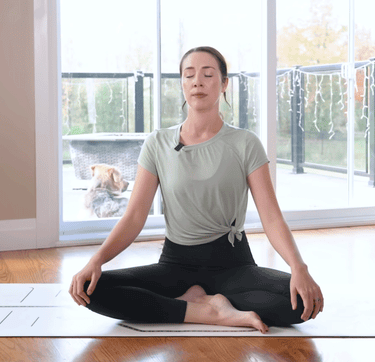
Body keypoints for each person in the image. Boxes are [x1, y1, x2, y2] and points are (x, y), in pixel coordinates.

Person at [69, 46, 323, 333]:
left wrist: (299, 268)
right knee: (90, 289)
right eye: (189, 75)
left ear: (224, 83)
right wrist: (96, 260)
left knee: (303, 303)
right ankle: (206, 311)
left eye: (207, 74)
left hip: (233, 265)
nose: (197, 82)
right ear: (182, 84)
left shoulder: (245, 143)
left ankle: (199, 304)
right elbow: (134, 216)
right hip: (175, 265)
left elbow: (272, 217)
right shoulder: (158, 143)